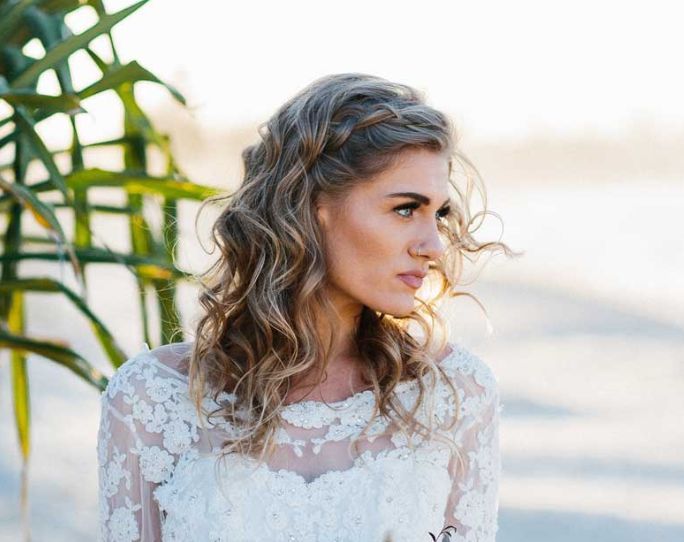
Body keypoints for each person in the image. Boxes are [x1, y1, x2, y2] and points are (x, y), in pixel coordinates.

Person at [97, 73, 513, 541]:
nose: (433, 245)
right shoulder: (151, 400)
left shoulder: (454, 395)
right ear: (313, 205)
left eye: (438, 213)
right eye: (404, 209)